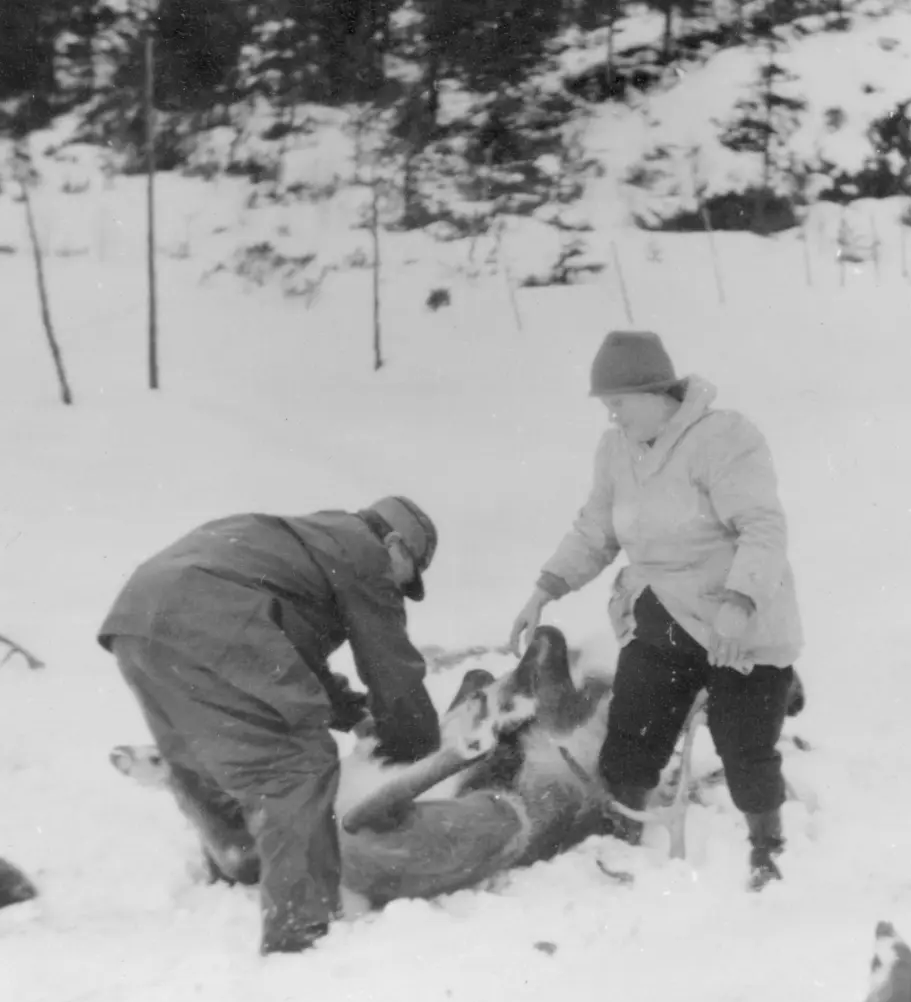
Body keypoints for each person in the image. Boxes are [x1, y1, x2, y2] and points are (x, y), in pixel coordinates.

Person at [509, 332, 804, 891]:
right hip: (663, 616)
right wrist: (545, 588)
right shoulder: (616, 450)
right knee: (632, 733)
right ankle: (623, 838)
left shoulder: (724, 438)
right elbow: (594, 530)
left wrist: (740, 604)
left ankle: (766, 849)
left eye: (618, 404)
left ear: (652, 393)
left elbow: (762, 528)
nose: (613, 417)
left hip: (736, 620)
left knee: (745, 747)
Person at [97, 495, 441, 955]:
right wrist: (416, 744)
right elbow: (390, 666)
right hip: (212, 620)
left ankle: (240, 859)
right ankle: (300, 937)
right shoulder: (366, 554)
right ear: (395, 544)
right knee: (296, 766)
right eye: (408, 576)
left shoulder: (305, 540)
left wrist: (352, 712)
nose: (400, 589)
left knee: (201, 753)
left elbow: (287, 650)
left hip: (138, 622)